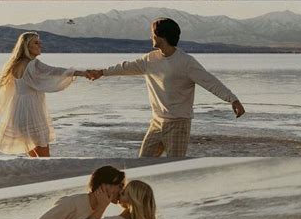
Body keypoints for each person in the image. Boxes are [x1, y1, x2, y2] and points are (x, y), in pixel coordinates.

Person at [86, 18, 246, 157]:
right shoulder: (150, 59)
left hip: (179, 124)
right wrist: (101, 72)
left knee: (176, 164)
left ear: (162, 36)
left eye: (153, 33)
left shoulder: (186, 62)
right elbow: (125, 67)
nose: (150, 37)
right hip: (156, 122)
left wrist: (233, 100)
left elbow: (210, 81)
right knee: (142, 163)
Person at [0, 31, 87, 157]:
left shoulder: (13, 65)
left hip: (18, 112)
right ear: (26, 46)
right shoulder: (32, 64)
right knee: (45, 158)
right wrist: (82, 73)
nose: (40, 45)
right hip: (32, 111)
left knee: (34, 158)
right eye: (36, 42)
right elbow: (53, 71)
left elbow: (5, 89)